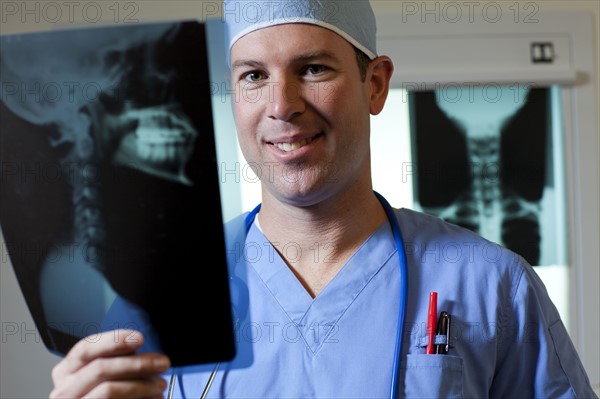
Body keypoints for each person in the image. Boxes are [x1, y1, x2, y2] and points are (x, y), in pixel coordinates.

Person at [49, 1, 598, 398]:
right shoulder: (159, 298)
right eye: (254, 75)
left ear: (376, 84)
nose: (281, 105)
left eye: (313, 68)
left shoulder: (490, 285)